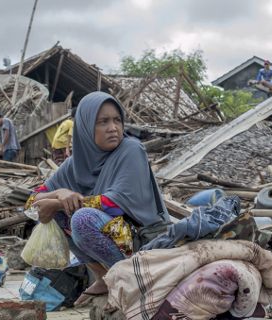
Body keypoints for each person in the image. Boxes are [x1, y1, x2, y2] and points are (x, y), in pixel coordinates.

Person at [26, 92, 170, 305]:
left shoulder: (131, 149)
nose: (113, 128)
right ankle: (103, 276)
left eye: (117, 120)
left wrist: (58, 203)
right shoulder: (74, 164)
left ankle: (129, 277)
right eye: (103, 122)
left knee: (82, 219)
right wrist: (59, 194)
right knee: (51, 213)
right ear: (85, 127)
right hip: (116, 239)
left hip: (145, 240)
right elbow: (31, 204)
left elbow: (113, 205)